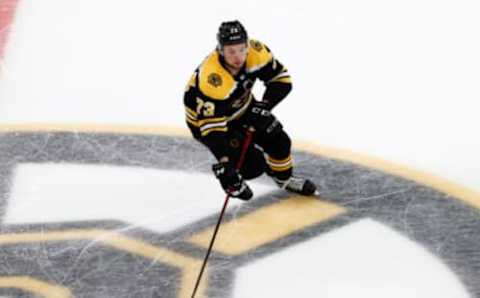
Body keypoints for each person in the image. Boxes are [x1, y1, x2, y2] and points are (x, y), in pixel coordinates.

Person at [183, 20, 316, 200]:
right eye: (231, 51)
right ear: (220, 50)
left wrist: (263, 106)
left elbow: (281, 80)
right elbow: (212, 128)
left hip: (244, 107)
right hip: (208, 123)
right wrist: (225, 163)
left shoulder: (256, 51)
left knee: (280, 141)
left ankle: (284, 179)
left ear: (247, 45)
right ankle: (236, 180)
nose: (238, 57)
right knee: (253, 166)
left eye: (241, 49)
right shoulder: (212, 77)